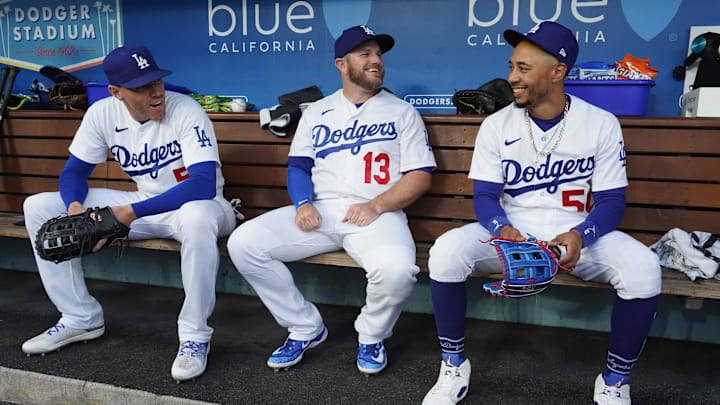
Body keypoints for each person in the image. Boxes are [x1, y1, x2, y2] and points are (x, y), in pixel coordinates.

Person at [421, 21, 661, 405]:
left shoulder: (600, 123)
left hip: (578, 233)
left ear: (557, 72)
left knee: (644, 269)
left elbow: (613, 202)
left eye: (523, 69)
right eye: (512, 66)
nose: (512, 78)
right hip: (513, 228)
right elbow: (484, 196)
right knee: (446, 251)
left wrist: (583, 234)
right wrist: (503, 229)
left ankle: (615, 381)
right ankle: (453, 365)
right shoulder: (496, 125)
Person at [227, 25, 436, 375]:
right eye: (365, 54)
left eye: (378, 54)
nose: (376, 60)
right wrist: (302, 204)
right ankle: (305, 327)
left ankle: (371, 335)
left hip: (376, 215)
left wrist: (378, 205)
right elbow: (298, 167)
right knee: (244, 243)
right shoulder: (317, 111)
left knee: (397, 272)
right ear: (342, 64)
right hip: (321, 212)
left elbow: (420, 176)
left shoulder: (402, 112)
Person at [21, 44, 236, 383]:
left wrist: (129, 212)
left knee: (196, 216)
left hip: (201, 209)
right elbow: (74, 173)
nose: (156, 92)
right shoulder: (102, 113)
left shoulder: (186, 110)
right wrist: (75, 208)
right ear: (116, 92)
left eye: (157, 81)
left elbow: (204, 185)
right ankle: (80, 317)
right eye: (142, 87)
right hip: (143, 205)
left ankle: (194, 336)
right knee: (39, 206)